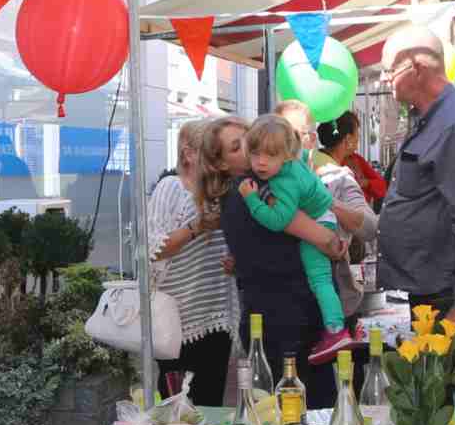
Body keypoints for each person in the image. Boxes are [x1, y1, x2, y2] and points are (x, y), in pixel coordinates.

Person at [376, 22, 455, 319]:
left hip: (448, 296)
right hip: (433, 289)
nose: (383, 79)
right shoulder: (432, 119)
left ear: (416, 68)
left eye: (389, 70)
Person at [238, 114, 356, 362]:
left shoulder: (283, 182)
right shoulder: (295, 161)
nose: (260, 162)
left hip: (320, 220)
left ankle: (336, 330)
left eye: (270, 155)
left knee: (320, 280)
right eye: (255, 154)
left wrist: (252, 199)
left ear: (286, 154)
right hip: (325, 214)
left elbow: (278, 220)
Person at [149, 117, 243, 405]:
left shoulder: (224, 190)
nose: (215, 158)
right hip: (175, 317)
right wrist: (197, 227)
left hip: (216, 313)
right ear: (188, 153)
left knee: (210, 403)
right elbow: (153, 248)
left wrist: (236, 261)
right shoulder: (171, 187)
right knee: (176, 405)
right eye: (208, 150)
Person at [313, 109, 381, 324]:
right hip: (330, 277)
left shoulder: (303, 164)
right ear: (348, 140)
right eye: (357, 135)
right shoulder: (339, 176)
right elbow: (370, 227)